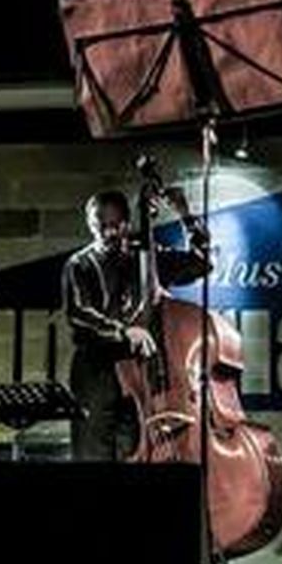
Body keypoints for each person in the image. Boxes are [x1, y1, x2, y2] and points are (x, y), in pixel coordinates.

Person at [61, 187, 208, 461]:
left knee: (136, 453)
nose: (108, 233)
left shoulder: (149, 259)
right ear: (90, 224)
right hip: (96, 370)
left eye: (115, 225)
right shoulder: (79, 264)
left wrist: (185, 215)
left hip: (141, 371)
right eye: (100, 226)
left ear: (128, 222)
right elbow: (78, 313)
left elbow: (203, 262)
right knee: (92, 456)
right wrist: (124, 331)